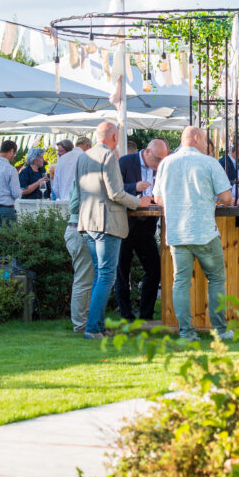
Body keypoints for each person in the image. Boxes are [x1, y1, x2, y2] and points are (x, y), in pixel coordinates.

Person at [153, 126, 235, 341]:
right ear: (197, 138)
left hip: (177, 232)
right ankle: (220, 329)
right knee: (216, 279)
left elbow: (158, 199)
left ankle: (186, 333)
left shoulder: (166, 163)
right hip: (205, 230)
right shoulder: (209, 162)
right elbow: (226, 197)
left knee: (180, 282)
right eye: (205, 140)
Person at [76, 121, 149, 340]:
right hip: (106, 222)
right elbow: (116, 192)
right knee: (106, 276)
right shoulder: (108, 156)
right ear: (115, 137)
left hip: (87, 220)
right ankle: (92, 328)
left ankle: (96, 326)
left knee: (100, 275)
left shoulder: (83, 156)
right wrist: (138, 202)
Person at [116, 138, 170, 321]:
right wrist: (134, 188)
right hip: (125, 225)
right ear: (147, 152)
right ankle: (126, 315)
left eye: (163, 160)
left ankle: (146, 314)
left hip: (146, 226)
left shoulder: (160, 168)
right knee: (122, 272)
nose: (159, 164)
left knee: (155, 269)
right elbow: (113, 189)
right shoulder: (125, 162)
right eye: (157, 159)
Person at [66, 179, 95, 334]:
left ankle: (87, 322)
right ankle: (80, 326)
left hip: (81, 230)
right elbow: (74, 206)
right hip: (79, 230)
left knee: (88, 280)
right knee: (83, 280)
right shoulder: (84, 176)